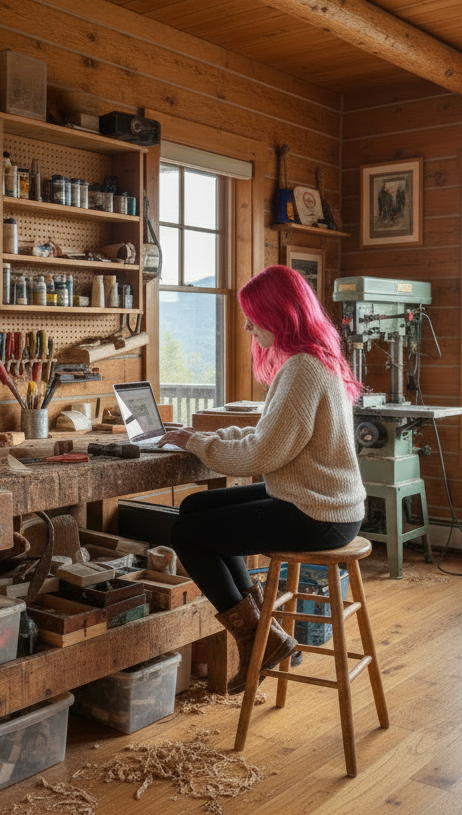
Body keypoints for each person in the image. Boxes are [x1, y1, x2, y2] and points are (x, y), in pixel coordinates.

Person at [157, 264, 366, 694]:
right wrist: (199, 437)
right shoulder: (311, 359)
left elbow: (260, 453)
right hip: (322, 502)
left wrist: (198, 444)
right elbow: (265, 433)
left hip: (319, 513)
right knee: (194, 508)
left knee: (189, 534)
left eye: (254, 316)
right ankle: (265, 634)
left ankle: (257, 638)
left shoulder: (303, 369)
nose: (248, 325)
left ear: (279, 313)